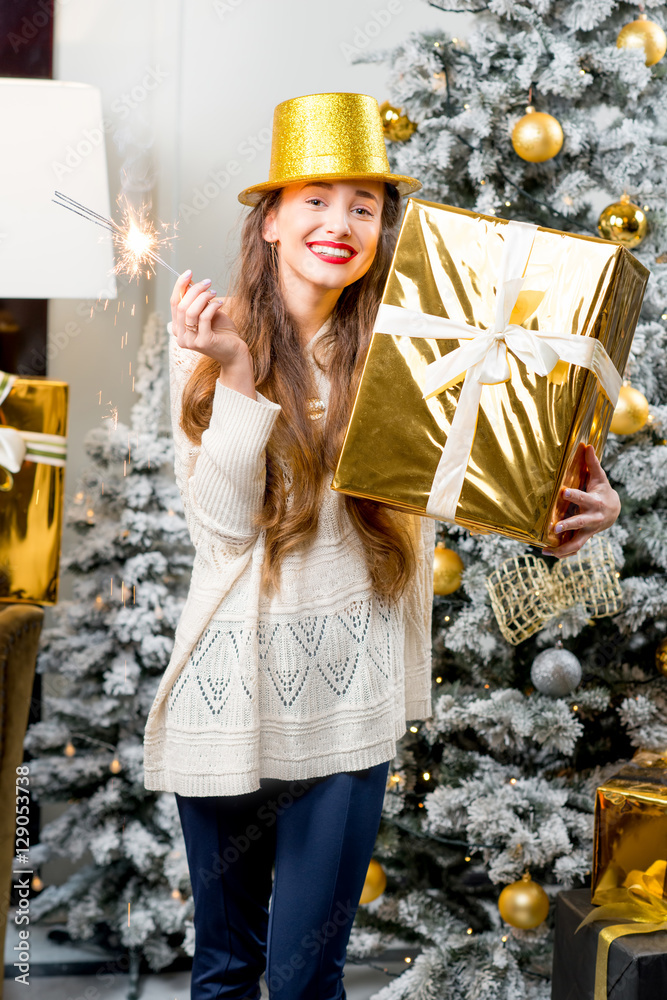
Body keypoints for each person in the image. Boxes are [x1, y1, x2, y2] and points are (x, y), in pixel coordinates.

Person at [143, 93, 622, 1000]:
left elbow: (502, 492)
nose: (340, 222)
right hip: (226, 698)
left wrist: (571, 518)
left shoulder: (423, 356)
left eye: (364, 206)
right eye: (317, 198)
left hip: (345, 703)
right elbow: (219, 532)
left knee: (303, 979)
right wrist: (240, 379)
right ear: (272, 220)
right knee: (226, 971)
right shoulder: (209, 344)